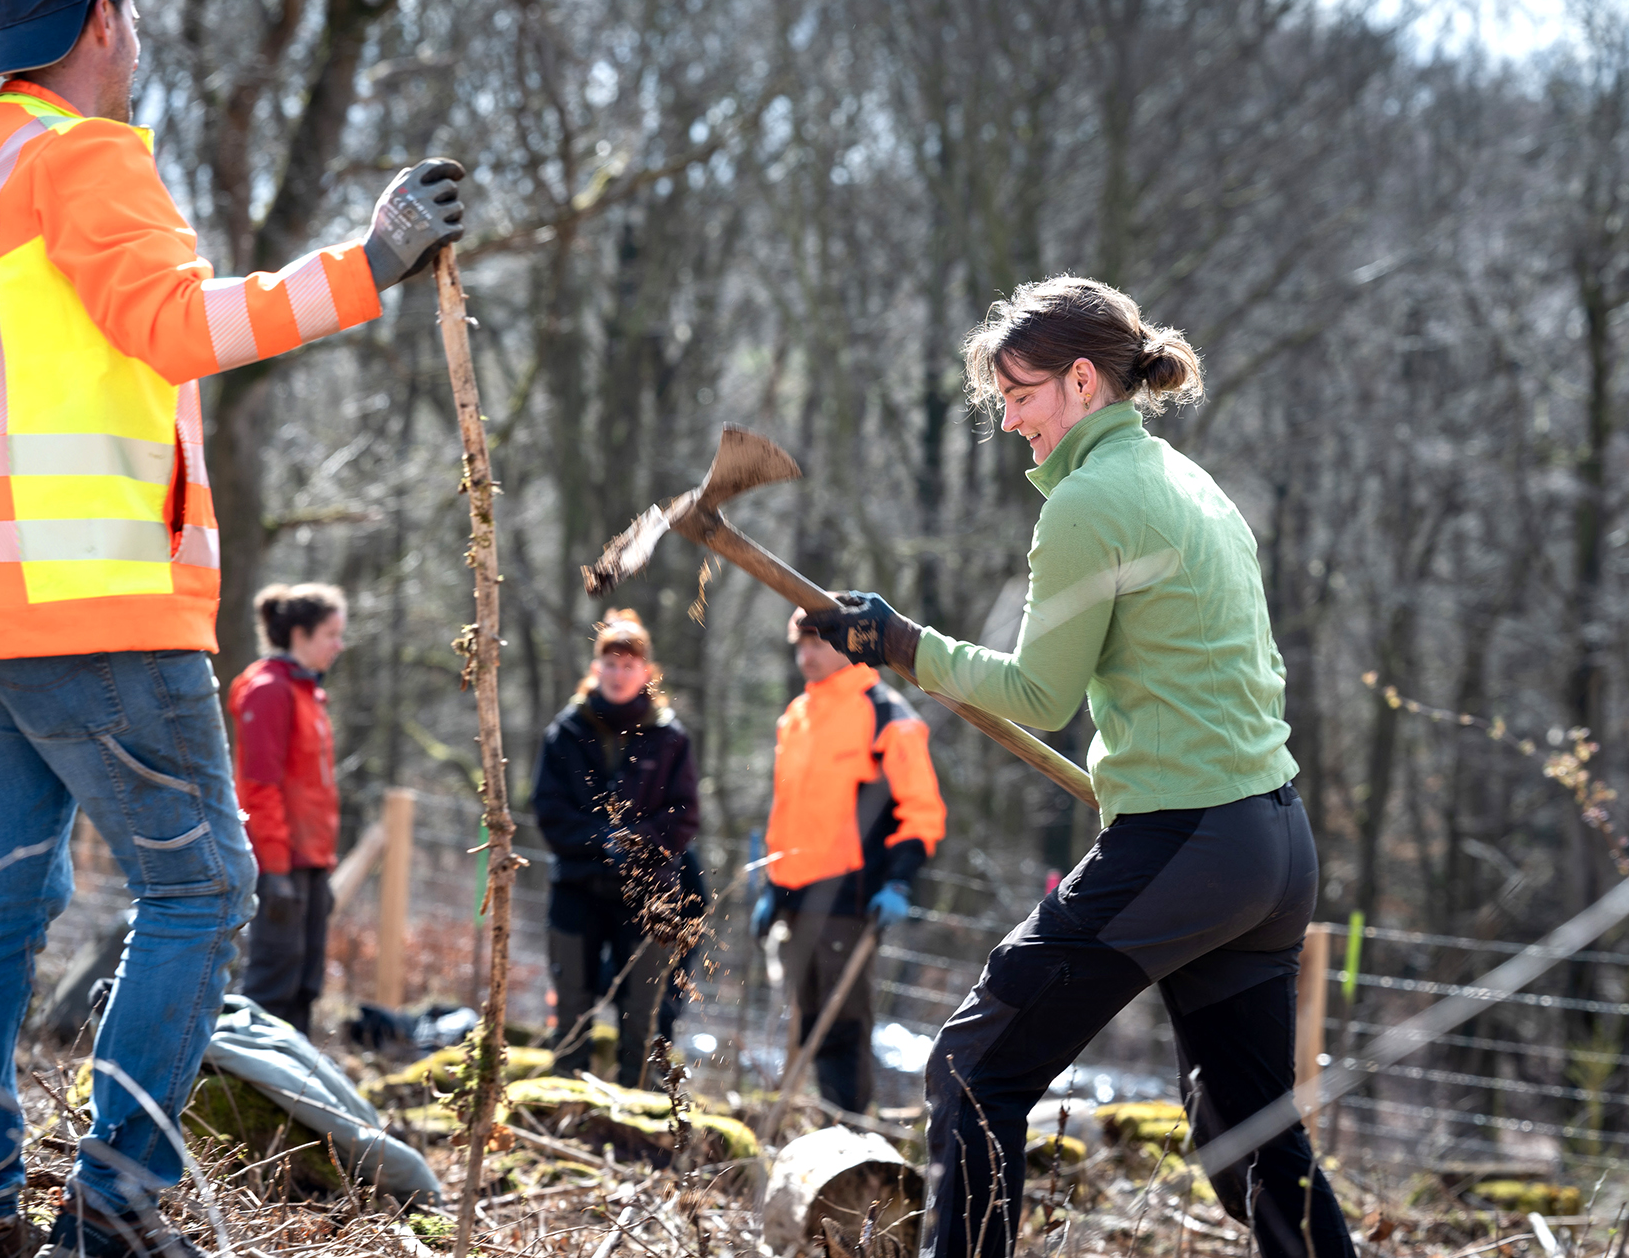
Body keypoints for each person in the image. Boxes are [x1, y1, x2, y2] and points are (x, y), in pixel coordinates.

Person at [0, 0, 463, 1258]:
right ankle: (109, 1215)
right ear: (106, 20)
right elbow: (182, 323)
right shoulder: (85, 161)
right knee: (202, 894)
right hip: (93, 601)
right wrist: (368, 265)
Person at [805, 277, 1354, 1258]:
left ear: (1083, 381)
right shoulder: (1191, 485)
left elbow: (1034, 694)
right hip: (1271, 844)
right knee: (1250, 1139)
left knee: (972, 1065)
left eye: (1020, 394)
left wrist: (901, 643)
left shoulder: (1089, 501)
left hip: (1185, 837)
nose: (1008, 420)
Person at [752, 607, 946, 1116]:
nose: (806, 655)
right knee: (804, 1017)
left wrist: (899, 883)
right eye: (801, 644)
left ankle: (852, 1135)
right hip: (793, 896)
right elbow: (787, 811)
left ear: (847, 644)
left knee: (843, 1026)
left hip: (851, 896)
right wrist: (773, 889)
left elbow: (921, 811)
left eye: (818, 643)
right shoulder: (795, 717)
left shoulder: (887, 715)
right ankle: (814, 1128)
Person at [531, 611, 700, 1088]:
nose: (619, 674)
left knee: (643, 1013)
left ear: (646, 672)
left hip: (648, 893)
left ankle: (638, 1120)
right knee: (571, 1004)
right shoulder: (565, 732)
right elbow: (549, 810)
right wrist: (601, 845)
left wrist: (635, 845)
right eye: (611, 663)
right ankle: (566, 1102)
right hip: (576, 888)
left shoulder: (670, 738)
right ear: (596, 668)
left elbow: (684, 817)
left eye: (630, 665)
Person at [228, 584, 347, 1037]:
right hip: (280, 863)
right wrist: (275, 869)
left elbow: (313, 793)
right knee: (273, 979)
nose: (338, 645)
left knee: (305, 982)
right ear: (300, 634)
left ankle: (294, 1091)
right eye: (330, 634)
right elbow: (259, 788)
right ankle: (248, 1082)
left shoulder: (308, 694)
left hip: (310, 861)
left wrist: (322, 867)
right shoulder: (270, 690)